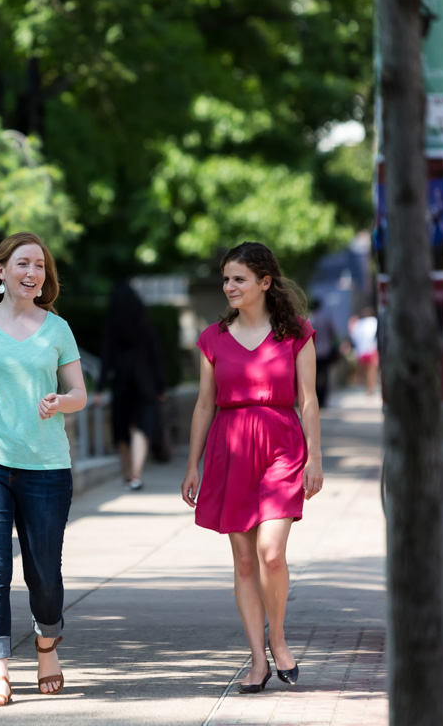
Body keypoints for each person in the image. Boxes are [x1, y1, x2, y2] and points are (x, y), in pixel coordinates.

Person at [0, 232, 87, 707]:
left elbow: (80, 394)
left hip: (45, 464)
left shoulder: (58, 328)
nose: (33, 273)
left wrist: (61, 401)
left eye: (41, 266)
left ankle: (47, 645)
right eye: (23, 264)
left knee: (44, 572)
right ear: (1, 271)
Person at [180, 242, 323, 694]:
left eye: (238, 278)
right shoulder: (212, 338)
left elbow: (308, 399)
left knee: (271, 552)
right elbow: (204, 405)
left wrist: (315, 458)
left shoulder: (297, 332)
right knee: (244, 561)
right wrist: (192, 465)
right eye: (226, 279)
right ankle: (257, 660)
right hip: (230, 448)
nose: (229, 287)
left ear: (264, 282)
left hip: (282, 445)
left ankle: (278, 639)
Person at [95, 281, 167, 490]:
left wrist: (99, 389)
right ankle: (136, 474)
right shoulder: (145, 324)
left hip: (121, 382)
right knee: (141, 429)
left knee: (122, 430)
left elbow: (106, 358)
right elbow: (156, 357)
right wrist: (161, 387)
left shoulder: (112, 325)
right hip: (145, 384)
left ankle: (128, 473)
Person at [308, 297, 341, 408]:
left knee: (313, 377)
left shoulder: (309, 319)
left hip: (312, 352)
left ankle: (316, 398)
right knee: (325, 376)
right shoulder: (326, 318)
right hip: (325, 351)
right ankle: (323, 400)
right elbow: (334, 333)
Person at [347, 308, 379, 395]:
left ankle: (367, 388)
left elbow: (353, 336)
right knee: (372, 371)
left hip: (361, 351)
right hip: (372, 349)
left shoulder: (359, 324)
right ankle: (371, 387)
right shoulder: (374, 321)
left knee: (365, 371)